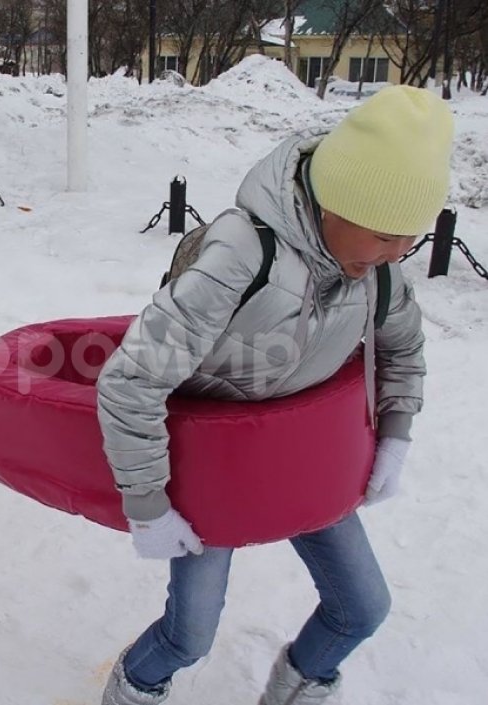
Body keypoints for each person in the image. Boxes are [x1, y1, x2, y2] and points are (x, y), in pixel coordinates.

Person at [96, 85, 453, 704]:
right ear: (334, 202)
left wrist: (394, 437)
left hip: (303, 455)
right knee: (190, 638)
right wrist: (148, 504)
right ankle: (135, 686)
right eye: (384, 234)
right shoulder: (243, 251)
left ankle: (297, 689)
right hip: (215, 463)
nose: (399, 254)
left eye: (410, 239)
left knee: (362, 609)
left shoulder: (379, 269)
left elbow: (403, 349)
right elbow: (133, 378)